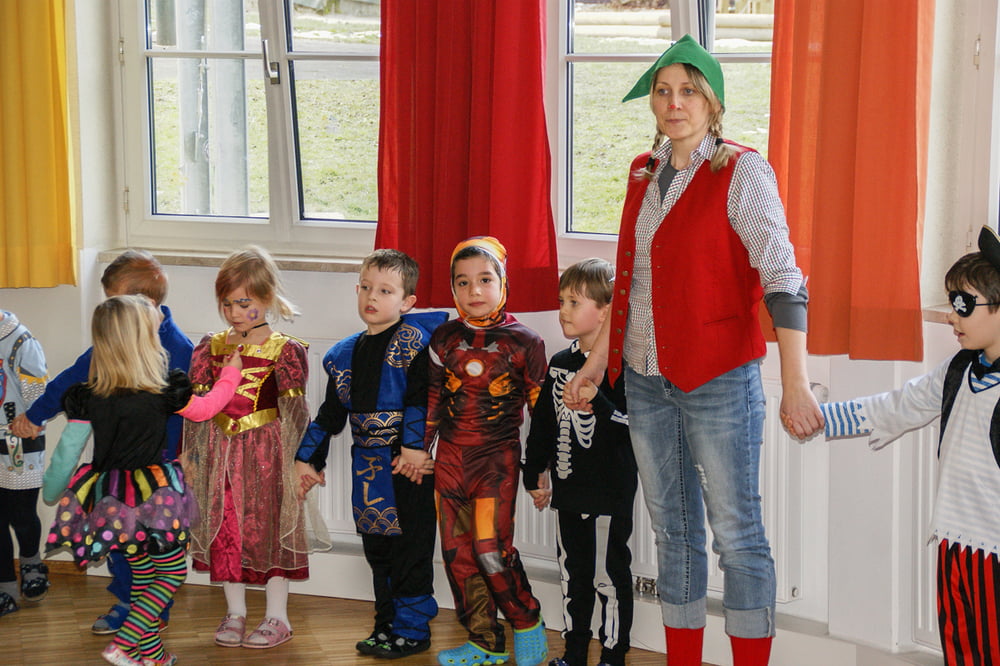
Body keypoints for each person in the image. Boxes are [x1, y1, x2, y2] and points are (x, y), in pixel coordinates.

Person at [563, 35, 822, 666]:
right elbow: (631, 283)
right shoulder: (642, 171)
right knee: (673, 532)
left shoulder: (742, 171)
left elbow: (784, 281)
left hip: (719, 381)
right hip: (646, 381)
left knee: (737, 535)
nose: (674, 103)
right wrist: (597, 363)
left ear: (712, 102)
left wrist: (795, 382)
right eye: (663, 91)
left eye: (688, 91)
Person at [818, 226, 1000, 666]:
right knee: (960, 648)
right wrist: (819, 418)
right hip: (953, 542)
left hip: (995, 550)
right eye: (950, 303)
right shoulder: (958, 371)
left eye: (963, 304)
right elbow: (897, 406)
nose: (951, 316)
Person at [41, 294, 242, 666]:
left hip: (110, 500)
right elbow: (206, 409)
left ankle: (152, 654)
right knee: (171, 574)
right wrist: (231, 374)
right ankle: (123, 644)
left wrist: (52, 490)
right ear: (144, 339)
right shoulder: (163, 388)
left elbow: (67, 452)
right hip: (152, 498)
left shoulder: (88, 395)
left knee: (144, 576)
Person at [11, 249, 193, 635]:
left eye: (114, 302)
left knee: (157, 549)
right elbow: (67, 382)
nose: (108, 313)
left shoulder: (179, 351)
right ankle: (128, 602)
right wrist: (34, 416)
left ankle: (150, 612)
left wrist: (185, 459)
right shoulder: (109, 346)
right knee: (119, 542)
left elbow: (192, 412)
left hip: (160, 476)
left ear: (144, 304)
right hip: (115, 471)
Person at [294, 248, 446, 659]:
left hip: (407, 467)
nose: (371, 297)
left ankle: (412, 629)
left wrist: (413, 449)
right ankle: (385, 625)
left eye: (384, 290)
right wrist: (306, 459)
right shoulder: (343, 355)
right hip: (367, 468)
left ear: (407, 301)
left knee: (410, 550)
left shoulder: (416, 344)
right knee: (378, 552)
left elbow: (421, 399)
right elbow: (330, 415)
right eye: (365, 287)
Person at [427, 236, 549, 666]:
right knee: (457, 555)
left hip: (495, 462)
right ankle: (484, 641)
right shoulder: (443, 337)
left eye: (484, 279)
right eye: (462, 282)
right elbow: (432, 399)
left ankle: (526, 620)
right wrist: (419, 450)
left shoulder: (525, 341)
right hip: (449, 461)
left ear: (503, 283)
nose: (474, 290)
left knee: (489, 549)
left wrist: (539, 471)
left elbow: (541, 413)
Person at [182, 246, 310, 650]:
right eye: (227, 303)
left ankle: (277, 617)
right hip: (219, 455)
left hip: (266, 454)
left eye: (244, 303)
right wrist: (191, 455)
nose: (235, 312)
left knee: (268, 530)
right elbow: (197, 408)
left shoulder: (284, 350)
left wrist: (299, 461)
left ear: (267, 298)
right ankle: (235, 612)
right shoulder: (210, 347)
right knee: (226, 529)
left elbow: (295, 413)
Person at [522, 258, 637, 666]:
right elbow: (543, 423)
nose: (563, 311)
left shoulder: (624, 368)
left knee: (609, 577)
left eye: (575, 302)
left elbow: (634, 427)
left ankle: (612, 655)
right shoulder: (560, 364)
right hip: (569, 491)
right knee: (573, 576)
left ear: (606, 312)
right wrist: (534, 472)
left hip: (609, 493)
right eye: (561, 301)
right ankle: (573, 653)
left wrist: (598, 401)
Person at [0, 309, 48, 617]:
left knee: (21, 514)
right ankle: (5, 586)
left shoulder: (20, 341)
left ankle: (31, 562)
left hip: (18, 441)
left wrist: (32, 420)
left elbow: (38, 394)